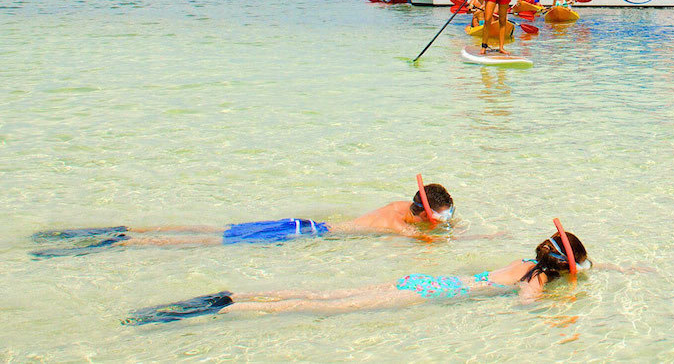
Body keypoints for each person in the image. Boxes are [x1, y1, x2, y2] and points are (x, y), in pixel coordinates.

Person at [123, 224, 591, 325]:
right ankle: (230, 307)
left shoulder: (524, 262)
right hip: (436, 297)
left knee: (326, 292)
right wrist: (561, 308)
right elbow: (525, 303)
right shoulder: (538, 280)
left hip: (429, 282)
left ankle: (235, 293)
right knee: (327, 306)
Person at [30, 177, 455, 258]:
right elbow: (425, 240)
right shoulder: (402, 225)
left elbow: (424, 226)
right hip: (300, 236)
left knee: (214, 232)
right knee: (211, 242)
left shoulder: (398, 208)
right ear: (426, 215)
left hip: (299, 224)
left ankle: (122, 233)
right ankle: (125, 241)